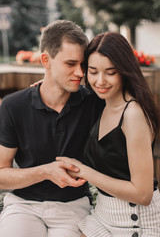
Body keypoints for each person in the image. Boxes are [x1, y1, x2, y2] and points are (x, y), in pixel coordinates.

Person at [0, 20, 105, 237]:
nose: (80, 73)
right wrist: (45, 172)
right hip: (23, 206)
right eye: (70, 64)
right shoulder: (13, 106)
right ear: (46, 60)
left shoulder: (94, 102)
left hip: (74, 206)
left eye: (83, 65)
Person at [56, 32, 160, 236]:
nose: (100, 81)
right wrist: (43, 89)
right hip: (103, 214)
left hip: (135, 221)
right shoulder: (101, 103)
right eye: (93, 72)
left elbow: (143, 193)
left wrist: (84, 171)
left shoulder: (133, 114)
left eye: (110, 72)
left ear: (124, 71)